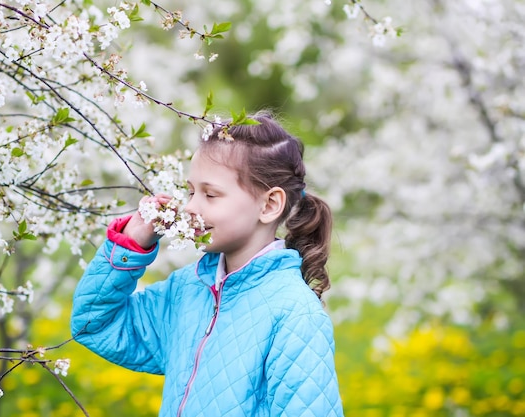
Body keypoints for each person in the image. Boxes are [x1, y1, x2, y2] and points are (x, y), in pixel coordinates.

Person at [70, 111, 344, 416]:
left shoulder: (294, 314)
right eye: (190, 191)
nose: (190, 207)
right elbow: (93, 324)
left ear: (268, 205)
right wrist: (131, 244)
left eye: (210, 195)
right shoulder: (188, 289)